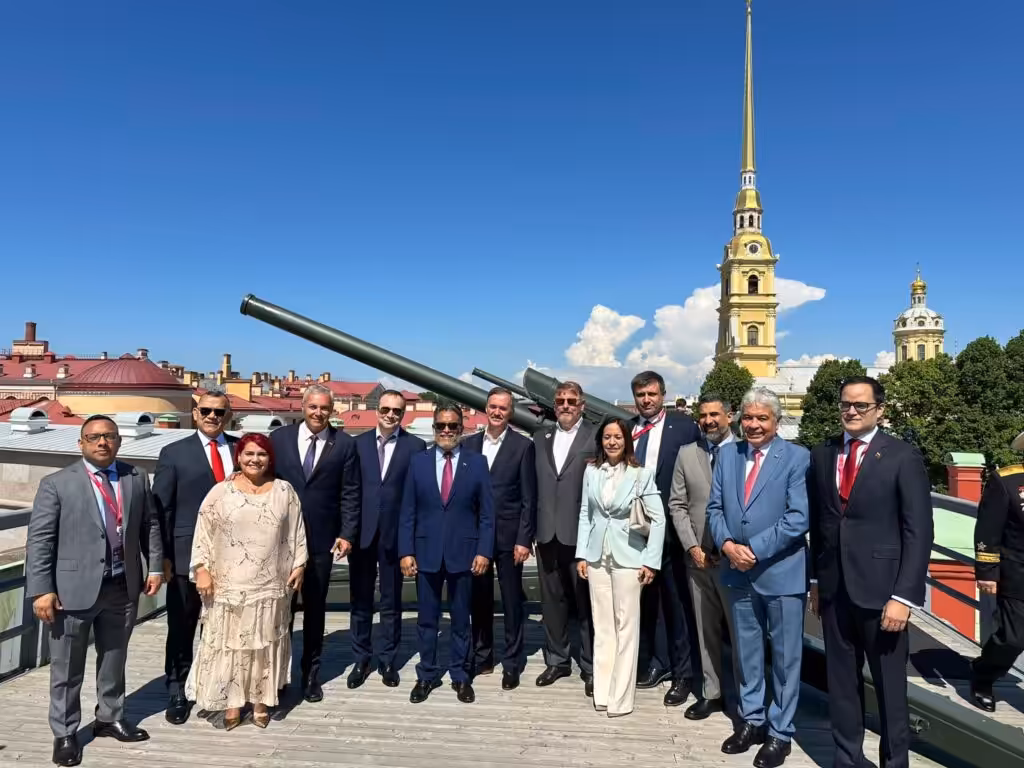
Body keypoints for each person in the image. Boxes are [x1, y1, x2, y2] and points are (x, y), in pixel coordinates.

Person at [808, 376, 933, 768]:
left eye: (861, 405)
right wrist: (815, 580)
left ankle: (894, 763)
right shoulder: (823, 453)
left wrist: (904, 597)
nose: (852, 411)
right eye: (846, 403)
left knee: (890, 689)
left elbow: (919, 531)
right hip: (834, 590)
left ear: (879, 409)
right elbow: (820, 520)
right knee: (842, 686)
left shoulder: (901, 456)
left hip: (884, 595)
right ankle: (847, 760)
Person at [25, 415, 163, 768]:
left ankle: (109, 717)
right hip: (72, 591)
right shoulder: (56, 483)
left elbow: (149, 524)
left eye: (109, 437)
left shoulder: (135, 477)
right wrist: (42, 590)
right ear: (81, 443)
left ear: (118, 441)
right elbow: (40, 541)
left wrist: (156, 566)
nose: (102, 443)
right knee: (67, 667)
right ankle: (66, 732)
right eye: (94, 437)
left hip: (122, 584)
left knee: (114, 659)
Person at [708, 388, 809, 768]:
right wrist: (729, 545)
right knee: (747, 654)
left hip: (781, 572)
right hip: (736, 571)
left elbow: (799, 517)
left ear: (776, 421)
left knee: (785, 658)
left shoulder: (797, 458)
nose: (752, 424)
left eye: (761, 418)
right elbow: (715, 508)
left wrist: (755, 549)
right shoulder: (727, 456)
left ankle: (781, 732)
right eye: (747, 417)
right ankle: (752, 719)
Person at [185, 433, 307, 729]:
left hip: (270, 584)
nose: (255, 460)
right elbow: (203, 532)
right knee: (232, 646)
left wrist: (300, 565)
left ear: (270, 459)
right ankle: (232, 701)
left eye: (262, 454)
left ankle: (262, 700)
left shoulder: (284, 491)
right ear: (238, 457)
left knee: (264, 645)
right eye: (249, 454)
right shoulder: (220, 492)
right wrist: (201, 569)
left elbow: (297, 531)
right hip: (228, 584)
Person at [398, 401, 494, 703]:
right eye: (442, 425)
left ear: (461, 428)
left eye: (453, 425)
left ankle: (460, 675)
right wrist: (405, 551)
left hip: (464, 554)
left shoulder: (476, 463)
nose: (447, 430)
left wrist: (484, 551)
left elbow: (487, 515)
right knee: (427, 620)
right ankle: (426, 674)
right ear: (434, 428)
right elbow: (407, 512)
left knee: (460, 619)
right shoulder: (418, 462)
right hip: (425, 553)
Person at [270, 383, 360, 702]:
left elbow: (351, 492)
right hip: (280, 542)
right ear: (303, 407)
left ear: (331, 410)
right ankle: (277, 678)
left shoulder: (345, 445)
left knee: (315, 611)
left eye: (324, 408)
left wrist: (347, 533)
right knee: (281, 612)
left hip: (322, 542)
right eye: (313, 407)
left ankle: (310, 675)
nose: (318, 413)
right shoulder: (279, 439)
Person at [153, 390, 239, 724]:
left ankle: (215, 686)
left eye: (220, 412)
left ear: (227, 414)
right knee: (183, 624)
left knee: (223, 626)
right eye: (207, 410)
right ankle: (177, 687)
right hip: (186, 555)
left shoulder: (241, 449)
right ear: (195, 411)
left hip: (233, 556)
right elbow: (160, 509)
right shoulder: (174, 452)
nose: (213, 417)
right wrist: (161, 556)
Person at [576, 416, 665, 717]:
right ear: (600, 440)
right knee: (602, 626)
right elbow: (586, 513)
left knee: (626, 627)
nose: (612, 442)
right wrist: (581, 555)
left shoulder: (641, 475)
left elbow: (659, 519)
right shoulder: (591, 472)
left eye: (618, 436)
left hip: (630, 557)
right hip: (597, 555)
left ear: (627, 440)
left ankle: (621, 698)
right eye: (607, 437)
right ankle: (602, 692)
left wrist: (651, 561)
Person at [629, 370, 700, 706]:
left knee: (677, 603)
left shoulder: (684, 428)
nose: (647, 400)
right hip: (636, 530)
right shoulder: (628, 429)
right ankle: (655, 662)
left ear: (663, 395)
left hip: (672, 529)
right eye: (641, 395)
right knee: (647, 602)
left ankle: (683, 673)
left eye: (652, 394)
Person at [349, 389, 425, 689]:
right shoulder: (357, 445)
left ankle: (388, 659)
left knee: (392, 601)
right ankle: (361, 658)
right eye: (385, 409)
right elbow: (350, 491)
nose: (390, 415)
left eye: (397, 411)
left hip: (396, 535)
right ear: (375, 410)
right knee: (360, 599)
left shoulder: (416, 446)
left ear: (403, 414)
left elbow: (418, 495)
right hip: (363, 534)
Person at [667, 393, 736, 720]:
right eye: (703, 415)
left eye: (715, 414)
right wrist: (692, 547)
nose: (709, 421)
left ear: (730, 416)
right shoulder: (687, 454)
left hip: (736, 562)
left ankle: (746, 700)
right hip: (698, 560)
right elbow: (677, 504)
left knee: (741, 635)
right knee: (705, 631)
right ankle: (713, 692)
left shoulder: (744, 451)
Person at [464, 386, 537, 690]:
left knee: (511, 601)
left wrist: (524, 539)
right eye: (492, 407)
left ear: (510, 412)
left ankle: (512, 662)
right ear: (486, 408)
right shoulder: (469, 445)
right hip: (476, 539)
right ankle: (483, 655)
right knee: (478, 599)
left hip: (509, 538)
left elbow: (529, 499)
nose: (496, 412)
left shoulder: (523, 446)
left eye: (503, 408)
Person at [533, 381, 597, 696]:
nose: (566, 405)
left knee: (585, 604)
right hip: (546, 534)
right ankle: (557, 660)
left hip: (581, 536)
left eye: (572, 400)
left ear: (582, 404)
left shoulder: (595, 437)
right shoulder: (540, 437)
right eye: (560, 400)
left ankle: (590, 665)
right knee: (552, 603)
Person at [969, 428, 1024, 712]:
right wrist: (987, 571)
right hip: (1018, 575)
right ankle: (983, 675)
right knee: (1012, 639)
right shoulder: (1007, 480)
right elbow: (988, 529)